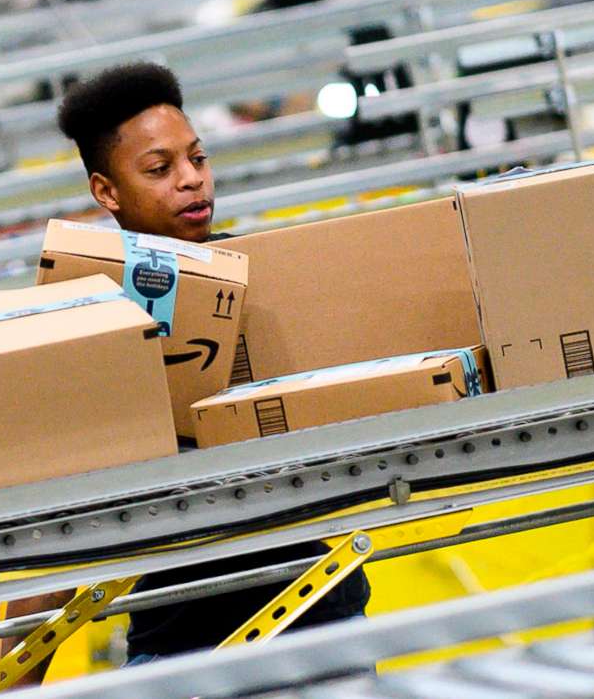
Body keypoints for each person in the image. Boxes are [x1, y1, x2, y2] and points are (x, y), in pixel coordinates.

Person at [48, 60, 370, 662]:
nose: (192, 180)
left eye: (197, 159)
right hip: (181, 644)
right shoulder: (84, 322)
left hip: (321, 616)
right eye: (159, 169)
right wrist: (21, 671)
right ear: (106, 192)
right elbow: (57, 509)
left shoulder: (261, 284)